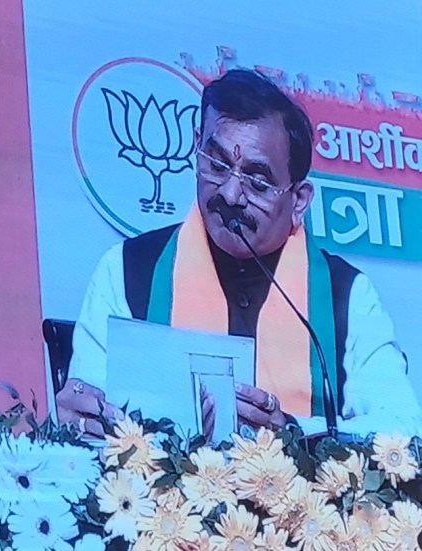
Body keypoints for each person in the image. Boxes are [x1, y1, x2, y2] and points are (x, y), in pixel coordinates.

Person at [57, 69, 421, 438]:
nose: (230, 194)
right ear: (196, 147)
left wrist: (291, 432)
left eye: (258, 182)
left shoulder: (346, 295)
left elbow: (404, 430)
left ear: (299, 200)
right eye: (216, 165)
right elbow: (86, 407)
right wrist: (82, 418)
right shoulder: (127, 270)